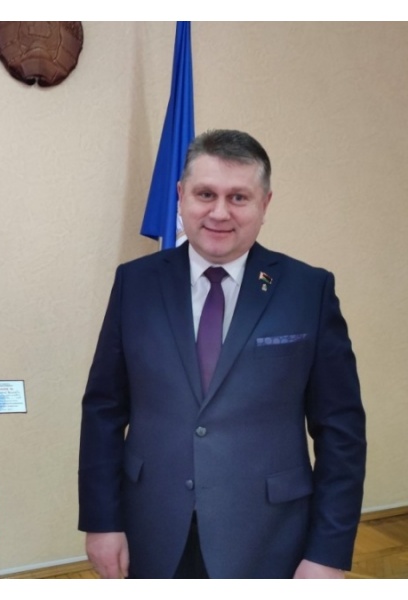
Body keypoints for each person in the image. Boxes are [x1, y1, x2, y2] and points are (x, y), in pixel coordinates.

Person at [78, 129, 366, 579]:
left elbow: (341, 430)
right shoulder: (136, 283)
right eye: (205, 194)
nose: (219, 212)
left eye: (238, 197)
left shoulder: (308, 290)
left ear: (265, 204)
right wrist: (101, 520)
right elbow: (104, 409)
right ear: (180, 196)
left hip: (270, 537)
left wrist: (328, 551)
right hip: (150, 529)